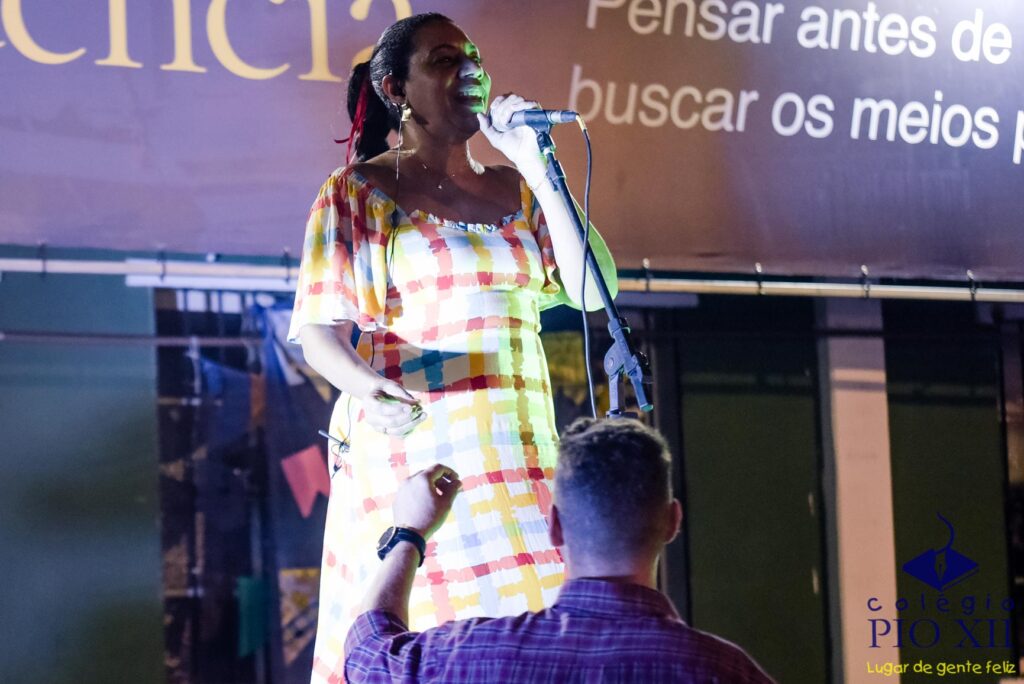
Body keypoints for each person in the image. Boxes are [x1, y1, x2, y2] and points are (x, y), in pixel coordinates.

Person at [287, 12, 618, 682]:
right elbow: (318, 331)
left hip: (519, 450)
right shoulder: (359, 191)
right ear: (395, 88)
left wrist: (538, 166)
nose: (470, 71)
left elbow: (594, 291)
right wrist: (366, 388)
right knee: (430, 641)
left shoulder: (517, 189)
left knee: (535, 642)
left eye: (475, 59)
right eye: (444, 60)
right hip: (419, 454)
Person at [344, 418, 776, 683]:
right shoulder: (722, 671)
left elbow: (367, 657)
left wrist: (409, 534)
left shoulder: (475, 657)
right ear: (673, 521)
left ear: (554, 525)